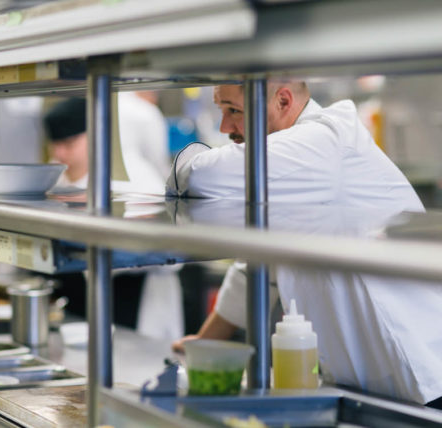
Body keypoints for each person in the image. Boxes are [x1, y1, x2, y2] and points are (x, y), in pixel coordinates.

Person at [168, 82, 442, 408]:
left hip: (421, 379)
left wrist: (189, 158)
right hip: (367, 384)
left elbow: (196, 178)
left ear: (283, 100)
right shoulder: (295, 165)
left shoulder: (322, 141)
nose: (225, 127)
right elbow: (258, 267)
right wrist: (203, 344)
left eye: (234, 111)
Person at [43, 94, 182, 340]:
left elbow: (168, 244)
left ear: (93, 135)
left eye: (70, 143)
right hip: (83, 302)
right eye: (55, 145)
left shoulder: (133, 173)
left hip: (137, 301)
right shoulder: (55, 176)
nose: (60, 153)